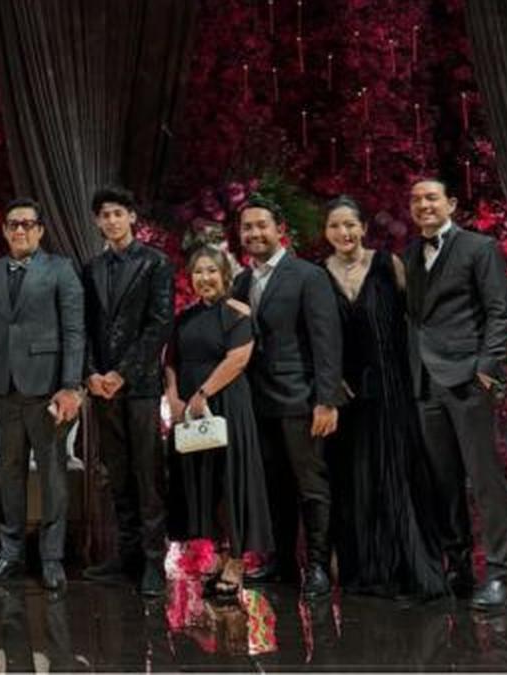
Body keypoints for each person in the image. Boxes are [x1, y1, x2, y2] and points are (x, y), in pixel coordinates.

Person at [320, 195, 447, 599]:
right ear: (326, 232)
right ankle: (365, 569)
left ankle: (409, 567)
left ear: (362, 227)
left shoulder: (388, 264)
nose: (344, 232)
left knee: (397, 472)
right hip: (346, 393)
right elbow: (314, 337)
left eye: (350, 224)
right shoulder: (317, 275)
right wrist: (329, 382)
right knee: (354, 478)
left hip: (393, 386)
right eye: (335, 225)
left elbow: (421, 318)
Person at [402, 178, 507, 609]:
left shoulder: (478, 247)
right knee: (444, 482)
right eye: (416, 199)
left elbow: (500, 312)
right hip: (426, 383)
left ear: (450, 203)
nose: (423, 205)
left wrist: (485, 371)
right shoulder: (411, 254)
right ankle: (459, 566)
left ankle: (501, 574)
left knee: (484, 481)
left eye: (431, 197)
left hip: (467, 380)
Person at [0, 197, 86, 591]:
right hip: (5, 390)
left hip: (48, 391)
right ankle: (11, 554)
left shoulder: (60, 269)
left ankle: (52, 558)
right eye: (13, 224)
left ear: (39, 230)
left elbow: (74, 332)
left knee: (53, 475)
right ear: (4, 230)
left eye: (27, 224)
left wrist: (70, 386)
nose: (19, 230)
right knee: (10, 474)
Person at [232, 195, 341, 598]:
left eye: (261, 225)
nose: (254, 233)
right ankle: (280, 562)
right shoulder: (241, 282)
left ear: (279, 229)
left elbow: (326, 340)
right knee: (272, 485)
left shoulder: (308, 275)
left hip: (301, 399)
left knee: (310, 485)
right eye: (247, 227)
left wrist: (326, 399)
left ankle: (317, 566)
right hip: (257, 401)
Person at [80, 186, 175, 596]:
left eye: (118, 213)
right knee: (116, 473)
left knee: (147, 473)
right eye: (105, 215)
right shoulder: (91, 268)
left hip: (139, 387)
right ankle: (127, 555)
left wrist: (123, 373)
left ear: (132, 217)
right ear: (97, 221)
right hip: (101, 388)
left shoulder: (156, 263)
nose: (112, 220)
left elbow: (160, 324)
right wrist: (90, 374)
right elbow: (82, 326)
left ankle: (154, 562)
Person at [166, 246, 274, 599]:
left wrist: (203, 393)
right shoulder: (183, 318)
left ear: (225, 275)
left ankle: (238, 561)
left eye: (211, 271)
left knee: (231, 482)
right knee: (205, 482)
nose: (205, 278)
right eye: (198, 272)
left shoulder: (237, 313)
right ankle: (219, 553)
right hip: (190, 409)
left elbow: (238, 359)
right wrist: (174, 398)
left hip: (226, 404)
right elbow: (171, 362)